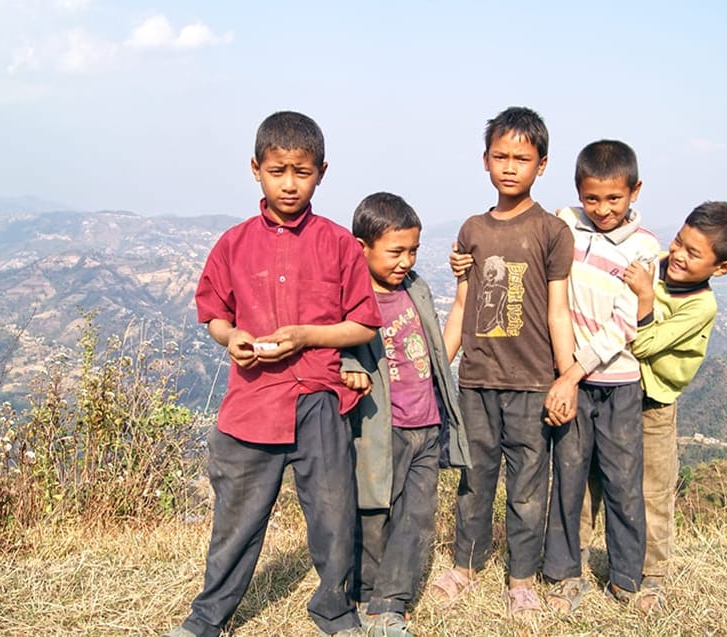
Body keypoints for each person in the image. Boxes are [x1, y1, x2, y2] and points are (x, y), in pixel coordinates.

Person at [169, 111, 383, 637]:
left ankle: (334, 609)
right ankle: (208, 617)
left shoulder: (337, 244)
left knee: (333, 518)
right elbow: (215, 314)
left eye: (302, 171)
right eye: (278, 170)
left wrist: (308, 335)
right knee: (237, 522)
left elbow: (361, 324)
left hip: (319, 400)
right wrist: (232, 338)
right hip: (253, 402)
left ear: (322, 172)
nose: (289, 183)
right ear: (256, 170)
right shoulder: (234, 244)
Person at [428, 106, 579, 619]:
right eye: (501, 156)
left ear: (542, 164)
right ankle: (466, 566)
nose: (510, 166)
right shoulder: (472, 229)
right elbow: (461, 306)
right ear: (485, 161)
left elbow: (558, 309)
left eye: (522, 158)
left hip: (533, 382)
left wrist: (566, 377)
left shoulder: (553, 233)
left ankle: (521, 578)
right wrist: (437, 370)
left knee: (528, 488)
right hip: (475, 379)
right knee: (474, 480)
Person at [339, 192, 471, 637]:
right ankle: (365, 594)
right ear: (363, 248)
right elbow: (340, 353)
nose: (405, 260)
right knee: (374, 512)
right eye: (395, 252)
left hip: (426, 423)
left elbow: (435, 348)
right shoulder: (351, 299)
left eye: (413, 250)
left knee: (415, 516)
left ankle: (389, 605)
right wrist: (351, 368)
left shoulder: (416, 286)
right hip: (382, 428)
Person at [543, 139, 662, 613]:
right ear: (578, 192)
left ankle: (629, 578)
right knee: (567, 479)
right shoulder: (565, 223)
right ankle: (564, 574)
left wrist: (569, 374)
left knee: (622, 482)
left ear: (635, 191)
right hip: (574, 379)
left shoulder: (644, 247)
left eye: (614, 198)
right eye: (592, 198)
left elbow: (622, 327)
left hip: (617, 386)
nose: (603, 208)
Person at [622, 200, 727, 597]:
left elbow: (644, 344)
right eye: (679, 241)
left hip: (656, 403)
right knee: (595, 476)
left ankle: (653, 575)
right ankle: (574, 559)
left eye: (693, 253)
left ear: (722, 268)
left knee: (654, 490)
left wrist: (644, 297)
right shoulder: (654, 263)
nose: (677, 254)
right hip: (618, 390)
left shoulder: (701, 304)